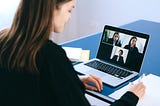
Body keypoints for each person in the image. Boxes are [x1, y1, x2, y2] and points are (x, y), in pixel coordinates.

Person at [0, 0, 145, 106]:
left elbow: (26, 84)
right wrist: (131, 97)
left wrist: (73, 81)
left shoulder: (4, 38)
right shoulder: (51, 55)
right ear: (52, 9)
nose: (70, 17)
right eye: (69, 10)